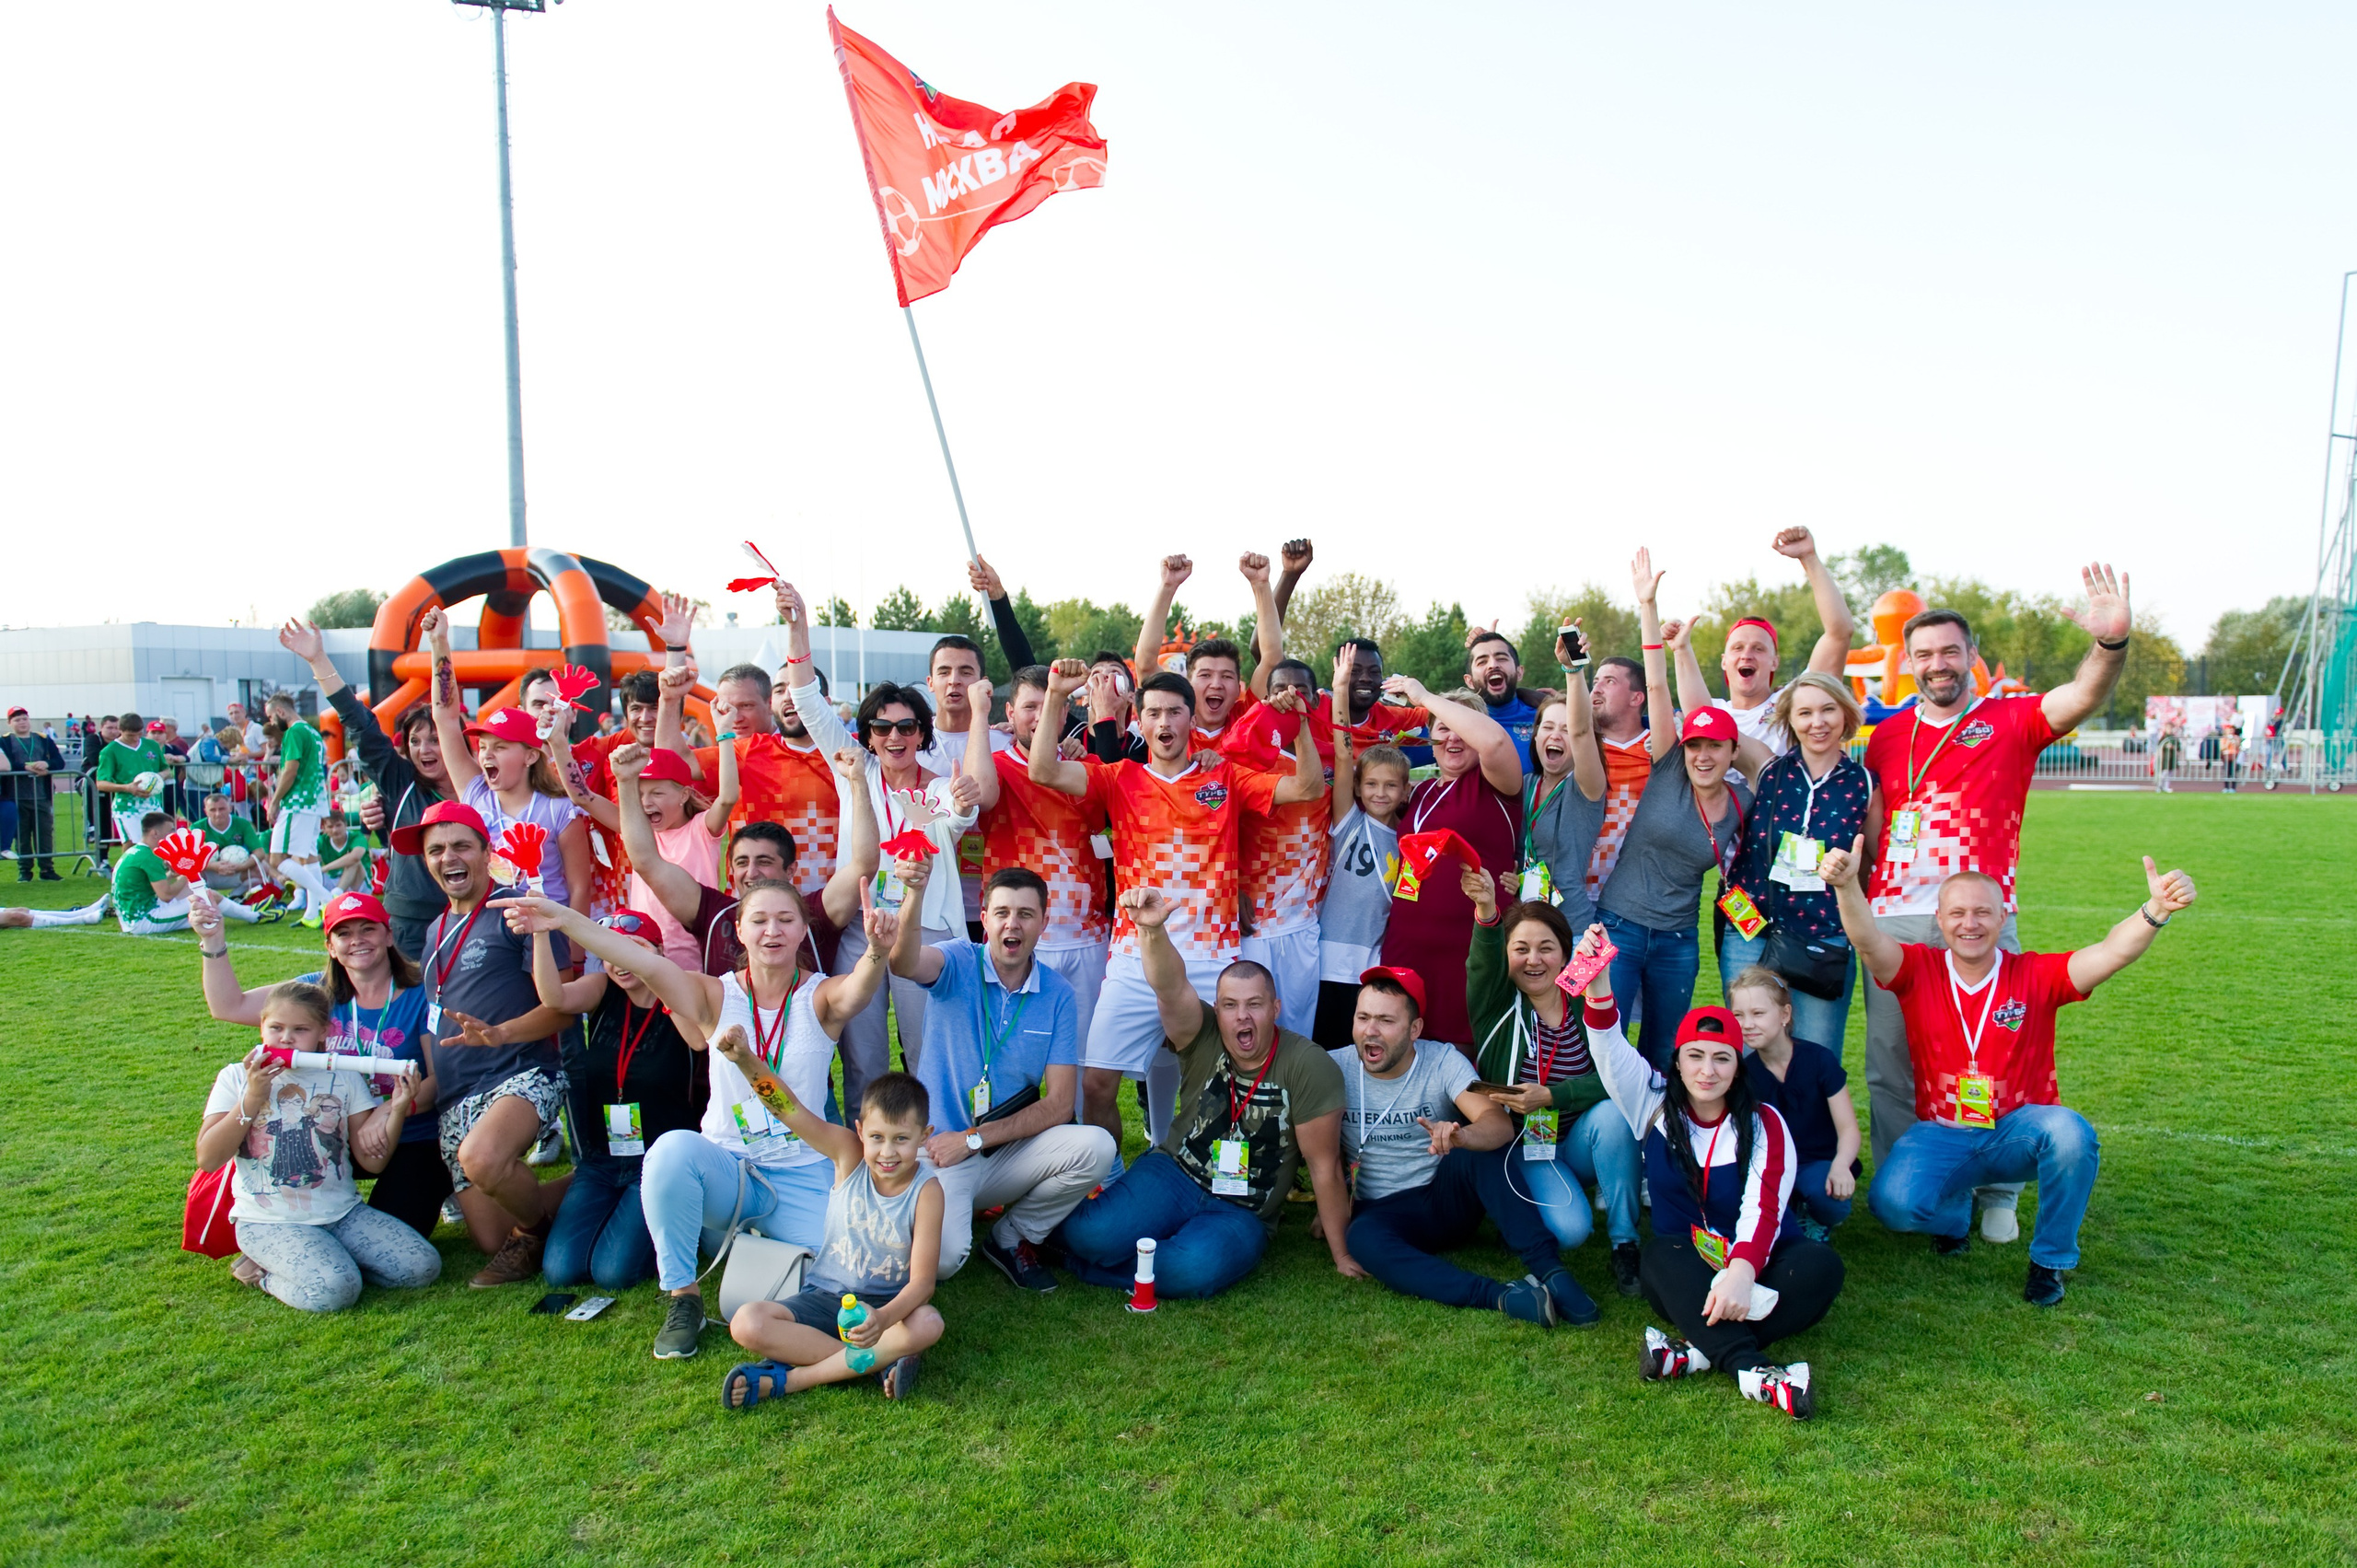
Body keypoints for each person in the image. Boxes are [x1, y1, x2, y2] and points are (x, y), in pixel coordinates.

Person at [508, 877, 898, 1361]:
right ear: (738, 930)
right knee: (671, 1149)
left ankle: (823, 1329)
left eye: (785, 920)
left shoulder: (821, 996)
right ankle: (683, 1298)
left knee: (855, 1275)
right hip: (729, 1170)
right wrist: (564, 919)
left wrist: (878, 949)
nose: (771, 931)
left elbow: (861, 986)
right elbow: (639, 959)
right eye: (759, 920)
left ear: (803, 931)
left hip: (803, 1169)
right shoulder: (714, 994)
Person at [1859, 568, 2131, 1242]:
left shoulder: (2010, 718)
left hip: (1981, 914)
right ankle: (1916, 1182)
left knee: (1998, 1054)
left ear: (1971, 656)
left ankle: (2000, 1189)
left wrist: (2110, 645)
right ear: (1908, 662)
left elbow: (2080, 697)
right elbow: (1875, 825)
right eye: (1923, 654)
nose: (1937, 665)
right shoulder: (1889, 736)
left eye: (1950, 651)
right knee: (1891, 1062)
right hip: (1895, 914)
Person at [1823, 838, 2195, 1305]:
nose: (1970, 923)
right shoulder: (1919, 968)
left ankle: (2050, 1262)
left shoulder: (2035, 974)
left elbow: (2110, 953)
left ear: (2003, 918)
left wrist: (2155, 910)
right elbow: (1867, 938)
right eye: (1957, 913)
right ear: (1939, 921)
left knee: (2071, 1135)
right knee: (1893, 1206)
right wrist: (1844, 886)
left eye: (1982, 912)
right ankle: (1955, 1215)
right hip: (1943, 1130)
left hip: (2015, 1131)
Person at [1025, 658, 1324, 1153]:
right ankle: (1109, 1179)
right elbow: (1043, 770)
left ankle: (1231, 1183)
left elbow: (1309, 788)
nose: (1165, 723)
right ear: (1138, 722)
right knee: (1097, 1084)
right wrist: (1056, 694)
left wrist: (1302, 725)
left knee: (1236, 1084)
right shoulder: (1119, 777)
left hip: (1213, 960)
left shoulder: (1225, 778)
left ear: (1191, 720)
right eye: (1155, 713)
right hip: (1134, 959)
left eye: (1175, 712)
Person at [1576, 929, 1841, 1420]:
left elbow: (1763, 1211)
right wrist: (1598, 984)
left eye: (1722, 1058)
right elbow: (1607, 1047)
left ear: (1738, 1069)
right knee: (1658, 1257)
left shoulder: (1765, 1123)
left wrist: (1741, 1273)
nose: (1707, 1071)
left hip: (1759, 1260)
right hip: (1688, 1266)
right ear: (1677, 1062)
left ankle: (1693, 1352)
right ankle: (1753, 1369)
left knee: (1821, 1268)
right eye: (1695, 1056)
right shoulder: (1652, 1103)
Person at [1054, 888, 1351, 1298]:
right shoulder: (1202, 1032)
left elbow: (1324, 1167)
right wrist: (1152, 932)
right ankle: (1105, 1253)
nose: (1242, 1016)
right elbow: (1171, 988)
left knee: (1193, 1268)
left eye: (1255, 1005)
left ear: (1276, 1008)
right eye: (1230, 1005)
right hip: (1175, 1173)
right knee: (1091, 1233)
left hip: (1243, 1209)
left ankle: (1089, 1265)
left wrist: (1342, 1255)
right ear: (1217, 1008)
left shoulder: (1309, 1066)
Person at [775, 581, 981, 1098]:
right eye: (882, 728)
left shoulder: (937, 786)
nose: (894, 737)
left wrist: (962, 802)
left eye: (907, 727)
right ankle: (863, 1150)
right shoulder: (856, 770)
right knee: (862, 1053)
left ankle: (932, 1147)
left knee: (925, 1048)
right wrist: (798, 624)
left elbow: (958, 820)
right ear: (867, 735)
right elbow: (807, 700)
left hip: (926, 929)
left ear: (921, 734)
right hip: (860, 930)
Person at [883, 857, 1116, 1288]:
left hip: (998, 1149)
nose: (1014, 924)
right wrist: (914, 893)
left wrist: (974, 1139)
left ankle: (1011, 1237)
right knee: (943, 1262)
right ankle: (926, 1212)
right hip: (939, 1151)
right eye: (1003, 912)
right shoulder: (956, 961)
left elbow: (1061, 1104)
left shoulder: (1058, 993)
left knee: (1096, 1147)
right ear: (985, 917)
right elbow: (903, 962)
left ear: (1043, 922)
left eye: (1026, 914)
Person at [1331, 964, 1594, 1326]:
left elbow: (1498, 1124)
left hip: (1443, 1198)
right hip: (1380, 1211)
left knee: (1482, 1153)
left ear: (1415, 1029)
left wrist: (1461, 1136)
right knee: (1361, 1239)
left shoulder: (1440, 1060)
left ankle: (1552, 1273)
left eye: (1386, 1021)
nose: (1370, 1032)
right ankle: (1503, 1297)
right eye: (1363, 1018)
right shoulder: (1335, 1067)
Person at [389, 800, 573, 1285]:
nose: (448, 857)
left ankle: (533, 1237)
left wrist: (502, 1035)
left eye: (460, 846)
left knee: (483, 1159)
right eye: (435, 850)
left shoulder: (518, 910)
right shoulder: (434, 931)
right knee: (491, 1238)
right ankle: (591, 1184)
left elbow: (563, 1003)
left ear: (485, 851)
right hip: (456, 1094)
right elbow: (436, 1023)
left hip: (522, 1070)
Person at [193, 889, 447, 1237]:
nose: (356, 941)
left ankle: (450, 1188)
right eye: (344, 933)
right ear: (330, 945)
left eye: (367, 929)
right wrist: (213, 941)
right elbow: (228, 1006)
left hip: (408, 1136)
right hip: (327, 1134)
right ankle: (273, 1238)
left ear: (388, 935)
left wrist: (387, 1111)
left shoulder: (421, 993)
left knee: (395, 1233)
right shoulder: (316, 991)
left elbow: (440, 1079)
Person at [1596, 578, 1769, 1064]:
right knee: (1603, 1046)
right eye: (1696, 744)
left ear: (1733, 751)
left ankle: (1658, 1139)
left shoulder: (1743, 800)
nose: (1703, 755)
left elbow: (1776, 772)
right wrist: (1648, 607)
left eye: (1715, 746)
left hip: (1678, 942)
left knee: (1661, 1053)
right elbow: (1656, 683)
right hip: (1618, 928)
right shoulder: (1668, 767)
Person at [195, 981, 442, 1312]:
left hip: (342, 1213)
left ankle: (327, 1258)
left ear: (323, 1031)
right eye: (276, 1028)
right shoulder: (235, 1078)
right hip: (269, 1222)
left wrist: (397, 1109)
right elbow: (209, 1158)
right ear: (261, 1026)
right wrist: (252, 1098)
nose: (286, 1038)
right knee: (336, 1291)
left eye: (300, 1029)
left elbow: (373, 1164)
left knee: (422, 1267)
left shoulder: (345, 1076)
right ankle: (264, 1274)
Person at [1463, 867, 1643, 1297]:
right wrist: (1486, 908)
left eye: (1546, 948)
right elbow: (1483, 957)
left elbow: (1619, 1077)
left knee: (1615, 1114)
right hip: (1528, 1148)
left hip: (1581, 1141)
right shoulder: (1495, 1003)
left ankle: (1625, 1242)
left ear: (1565, 954)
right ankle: (1521, 1208)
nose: (1533, 959)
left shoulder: (1585, 1004)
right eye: (1520, 948)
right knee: (1571, 1232)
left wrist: (1554, 1094)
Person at [718, 1067, 944, 1409]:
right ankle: (877, 1366)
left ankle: (793, 1379)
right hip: (824, 1296)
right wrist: (744, 1058)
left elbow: (923, 1285)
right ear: (860, 1131)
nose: (887, 1152)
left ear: (924, 1135)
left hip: (885, 1309)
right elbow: (788, 1110)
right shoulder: (848, 1154)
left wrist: (882, 1320)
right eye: (877, 1137)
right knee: (747, 1323)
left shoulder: (927, 1192)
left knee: (929, 1322)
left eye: (901, 1139)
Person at [522, 907, 708, 1291]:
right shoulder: (603, 990)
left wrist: (656, 977)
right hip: (603, 1160)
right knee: (560, 1271)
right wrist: (542, 935)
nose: (620, 962)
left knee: (614, 1274)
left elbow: (698, 1039)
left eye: (633, 949)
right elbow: (554, 998)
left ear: (657, 950)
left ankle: (678, 1214)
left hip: (658, 1163)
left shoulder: (681, 990)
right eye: (610, 952)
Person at [607, 739, 875, 981]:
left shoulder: (815, 914)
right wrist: (626, 781)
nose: (752, 872)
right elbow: (646, 861)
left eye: (764, 861)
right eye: (742, 862)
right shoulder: (714, 914)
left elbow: (864, 864)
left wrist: (858, 783)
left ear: (791, 869)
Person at [1718, 671, 1873, 1047]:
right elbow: (1711, 722)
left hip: (1824, 935)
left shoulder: (1864, 783)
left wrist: (1850, 880)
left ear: (1846, 715)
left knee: (1814, 1053)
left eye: (1828, 710)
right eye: (1804, 713)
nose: (1817, 722)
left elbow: (1872, 862)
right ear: (1789, 719)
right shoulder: (1767, 768)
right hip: (1750, 927)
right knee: (1751, 1047)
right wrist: (1681, 649)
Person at [962, 666, 1113, 1047]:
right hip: (1018, 939)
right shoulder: (996, 769)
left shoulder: (1087, 769)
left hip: (1086, 940)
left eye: (1050, 706)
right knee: (1011, 1057)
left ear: (1064, 714)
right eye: (1030, 707)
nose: (1039, 716)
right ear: (1010, 714)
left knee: (1080, 1062)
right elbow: (979, 794)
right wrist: (979, 715)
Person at [286, 621, 454, 958]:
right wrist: (319, 660)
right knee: (411, 1005)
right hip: (411, 917)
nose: (425, 750)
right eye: (415, 741)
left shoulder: (483, 786)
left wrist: (439, 644)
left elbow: (447, 709)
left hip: (472, 914)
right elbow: (359, 722)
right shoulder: (401, 780)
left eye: (436, 739)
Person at [1376, 673, 1524, 1050]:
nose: (1454, 737)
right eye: (1444, 728)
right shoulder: (1421, 790)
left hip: (1467, 951)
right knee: (1404, 1051)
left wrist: (1423, 694)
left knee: (1465, 1058)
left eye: (1463, 728)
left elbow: (1492, 741)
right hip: (1408, 945)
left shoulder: (1494, 784)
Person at [422, 607, 593, 919]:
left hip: (547, 935)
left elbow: (580, 887)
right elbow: (445, 718)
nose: (487, 754)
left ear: (530, 755)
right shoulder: (475, 795)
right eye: (484, 746)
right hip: (490, 930)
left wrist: (575, 953)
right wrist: (438, 644)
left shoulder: (560, 809)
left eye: (500, 747)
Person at [1667, 527, 1857, 754]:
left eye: (1758, 648)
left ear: (1775, 662)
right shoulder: (1714, 710)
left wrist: (1809, 558)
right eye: (1738, 648)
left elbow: (1839, 634)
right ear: (1724, 661)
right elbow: (1697, 711)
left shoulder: (1794, 703)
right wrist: (1680, 649)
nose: (1747, 654)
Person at [1725, 966, 1860, 1237]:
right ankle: (1791, 1209)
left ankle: (1816, 1216)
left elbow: (1848, 1128)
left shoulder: (1819, 1060)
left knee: (1830, 1201)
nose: (1747, 1024)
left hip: (1818, 1163)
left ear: (1785, 1014)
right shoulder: (1743, 1074)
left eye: (1758, 1013)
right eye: (1738, 1015)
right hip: (1772, 1166)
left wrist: (1842, 1165)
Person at [1314, 734, 1409, 1049]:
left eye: (1391, 785)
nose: (1380, 793)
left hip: (1370, 967)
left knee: (1362, 1050)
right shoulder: (1349, 821)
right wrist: (1340, 686)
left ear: (1406, 790)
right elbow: (1343, 757)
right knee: (1327, 1048)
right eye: (1371, 784)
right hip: (1329, 963)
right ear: (1357, 787)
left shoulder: (1408, 838)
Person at [1519, 626, 1608, 936]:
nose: (1555, 735)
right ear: (1536, 734)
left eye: (1565, 729)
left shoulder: (1587, 787)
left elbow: (1584, 731)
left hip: (1573, 929)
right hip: (1523, 925)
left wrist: (1573, 671)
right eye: (1547, 727)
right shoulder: (1523, 785)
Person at [259, 691, 339, 928]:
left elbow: (290, 770)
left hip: (298, 802)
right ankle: (313, 913)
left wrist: (274, 801)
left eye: (272, 717)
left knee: (277, 858)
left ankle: (328, 900)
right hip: (314, 801)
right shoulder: (313, 732)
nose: (272, 723)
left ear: (280, 712)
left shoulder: (294, 731)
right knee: (308, 857)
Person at [1582, 653, 1657, 901]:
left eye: (1609, 682)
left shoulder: (1661, 750)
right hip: (1578, 897)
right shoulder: (1580, 748)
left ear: (1637, 698)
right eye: (1595, 682)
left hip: (1636, 904)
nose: (1597, 689)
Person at [112, 812, 262, 935]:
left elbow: (146, 887)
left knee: (199, 893)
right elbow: (166, 895)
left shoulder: (136, 851)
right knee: (209, 897)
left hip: (134, 916)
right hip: (144, 920)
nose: (174, 833)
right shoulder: (148, 856)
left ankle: (248, 910)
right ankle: (255, 916)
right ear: (155, 833)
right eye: (171, 830)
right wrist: (187, 873)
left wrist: (172, 875)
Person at [1462, 629, 1554, 772]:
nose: (1493, 665)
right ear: (1469, 681)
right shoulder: (1455, 725)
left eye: (1501, 658)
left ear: (1519, 672)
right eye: (1482, 662)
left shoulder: (1545, 718)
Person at [3, 706, 64, 880]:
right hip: (16, 796)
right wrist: (23, 767)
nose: (22, 722)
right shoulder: (5, 741)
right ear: (9, 723)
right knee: (22, 836)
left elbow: (59, 762)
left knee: (44, 834)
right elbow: (5, 764)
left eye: (24, 718)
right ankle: (25, 871)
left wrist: (47, 764)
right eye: (17, 720)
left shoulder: (43, 739)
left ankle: (47, 870)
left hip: (42, 795)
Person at [92, 708, 168, 848]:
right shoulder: (110, 751)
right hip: (126, 806)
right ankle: (128, 870)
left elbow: (166, 769)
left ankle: (157, 869)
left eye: (138, 734)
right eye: (130, 735)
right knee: (133, 844)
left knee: (160, 843)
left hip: (152, 803)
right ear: (120, 730)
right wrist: (127, 787)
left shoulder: (152, 745)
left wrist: (158, 777)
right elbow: (101, 783)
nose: (135, 738)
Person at [196, 790, 272, 902]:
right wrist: (213, 866)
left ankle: (235, 896)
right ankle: (204, 899)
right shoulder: (197, 828)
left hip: (237, 871)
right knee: (188, 872)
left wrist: (242, 866)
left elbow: (259, 852)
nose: (218, 813)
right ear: (206, 811)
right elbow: (190, 858)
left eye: (222, 809)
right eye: (213, 810)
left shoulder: (242, 824)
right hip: (208, 874)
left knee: (263, 867)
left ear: (230, 808)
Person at [2154, 717, 2181, 794]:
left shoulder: (2174, 737)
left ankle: (2166, 787)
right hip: (2164, 758)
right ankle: (2159, 786)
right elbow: (2159, 746)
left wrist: (2174, 747)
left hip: (2171, 757)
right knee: (2163, 773)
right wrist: (2165, 746)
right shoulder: (2163, 737)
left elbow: (2179, 747)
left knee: (2169, 773)